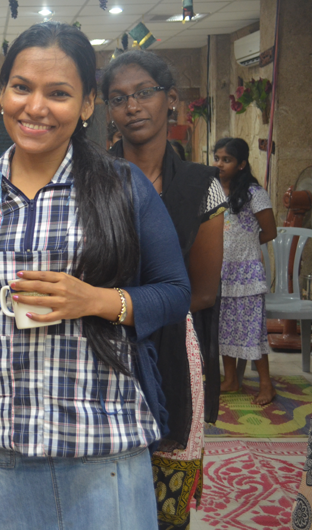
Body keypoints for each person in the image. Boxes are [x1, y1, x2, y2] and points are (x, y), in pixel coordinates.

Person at [0, 23, 190, 529]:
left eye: (59, 93)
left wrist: (94, 300)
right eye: (21, 87)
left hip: (104, 446)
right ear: (2, 92)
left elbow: (175, 293)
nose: (35, 107)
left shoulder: (124, 186)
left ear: (88, 104)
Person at [103, 49, 227, 530]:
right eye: (118, 98)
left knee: (165, 509)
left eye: (144, 93)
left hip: (172, 345)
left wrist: (135, 306)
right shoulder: (91, 178)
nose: (132, 106)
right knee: (102, 496)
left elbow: (203, 291)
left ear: (171, 99)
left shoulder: (201, 186)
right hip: (99, 343)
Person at [214, 137, 277, 404]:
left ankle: (266, 385)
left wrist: (247, 244)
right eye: (217, 158)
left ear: (241, 164)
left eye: (226, 160)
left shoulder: (253, 193)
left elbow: (270, 231)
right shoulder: (214, 191)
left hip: (247, 272)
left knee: (252, 329)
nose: (219, 164)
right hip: (221, 271)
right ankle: (230, 379)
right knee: (225, 326)